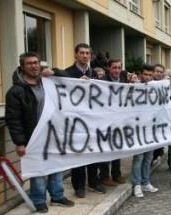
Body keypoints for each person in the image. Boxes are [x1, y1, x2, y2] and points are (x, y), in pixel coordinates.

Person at [5, 52, 74, 213]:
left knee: (57, 167)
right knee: (38, 171)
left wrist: (55, 72)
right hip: (33, 138)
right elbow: (13, 119)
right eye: (29, 63)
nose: (34, 66)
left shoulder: (47, 82)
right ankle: (39, 200)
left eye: (36, 62)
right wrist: (19, 142)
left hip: (54, 135)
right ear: (22, 67)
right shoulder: (16, 91)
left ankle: (57, 196)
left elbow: (68, 77)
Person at [54, 43, 105, 197]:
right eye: (81, 53)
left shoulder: (94, 74)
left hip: (92, 121)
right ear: (76, 55)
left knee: (93, 153)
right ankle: (79, 186)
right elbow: (57, 76)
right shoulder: (67, 73)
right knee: (78, 154)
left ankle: (93, 182)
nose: (84, 56)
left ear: (90, 56)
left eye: (87, 53)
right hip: (75, 122)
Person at [131, 64, 159, 197]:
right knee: (139, 158)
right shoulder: (134, 88)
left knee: (148, 158)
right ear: (141, 75)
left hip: (151, 129)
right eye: (145, 74)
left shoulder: (156, 88)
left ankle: (145, 182)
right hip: (138, 130)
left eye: (150, 75)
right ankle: (136, 184)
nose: (147, 77)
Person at [99, 59, 127, 186]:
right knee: (106, 149)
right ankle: (104, 176)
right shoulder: (102, 82)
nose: (116, 70)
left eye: (118, 67)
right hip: (105, 121)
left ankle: (116, 174)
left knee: (117, 148)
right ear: (109, 69)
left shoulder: (124, 81)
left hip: (119, 121)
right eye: (114, 67)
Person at [151, 64, 165, 167]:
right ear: (153, 72)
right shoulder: (146, 84)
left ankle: (156, 157)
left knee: (159, 142)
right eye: (157, 71)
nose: (159, 73)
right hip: (149, 121)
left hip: (161, 120)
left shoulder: (166, 85)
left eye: (161, 72)